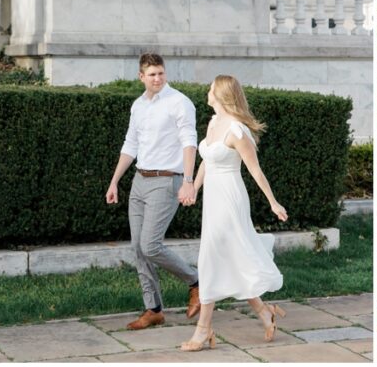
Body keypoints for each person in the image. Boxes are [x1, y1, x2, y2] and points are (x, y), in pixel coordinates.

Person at [180, 75, 289, 351]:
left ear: (221, 94)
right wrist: (193, 187)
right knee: (229, 258)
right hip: (213, 199)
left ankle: (203, 330)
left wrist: (273, 202)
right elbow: (206, 161)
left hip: (230, 199)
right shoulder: (214, 123)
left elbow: (255, 170)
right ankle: (265, 312)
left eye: (211, 88)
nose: (207, 91)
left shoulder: (238, 131)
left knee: (211, 258)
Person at [106, 53, 201, 330]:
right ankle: (154, 309)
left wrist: (188, 180)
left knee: (150, 245)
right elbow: (130, 145)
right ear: (141, 76)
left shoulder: (179, 102)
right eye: (152, 74)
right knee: (138, 248)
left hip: (166, 180)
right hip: (140, 181)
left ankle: (195, 281)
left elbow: (189, 142)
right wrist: (114, 181)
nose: (158, 78)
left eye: (161, 73)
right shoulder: (138, 106)